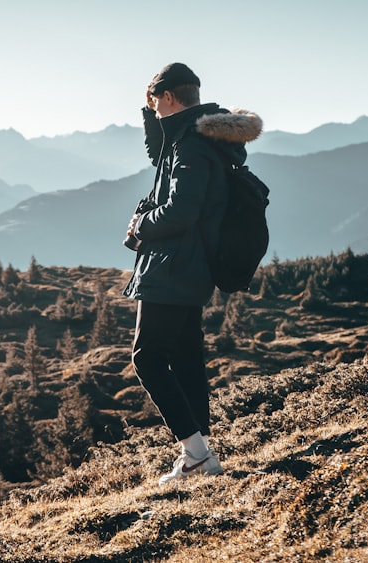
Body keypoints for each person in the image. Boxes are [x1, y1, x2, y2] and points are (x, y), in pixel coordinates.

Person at [122, 62, 262, 485]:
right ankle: (199, 456)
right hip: (190, 266)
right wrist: (149, 113)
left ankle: (197, 454)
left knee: (146, 358)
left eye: (154, 102)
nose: (153, 108)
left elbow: (183, 209)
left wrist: (140, 226)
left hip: (175, 265)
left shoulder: (192, 145)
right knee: (183, 358)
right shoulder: (197, 135)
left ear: (168, 97)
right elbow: (158, 155)